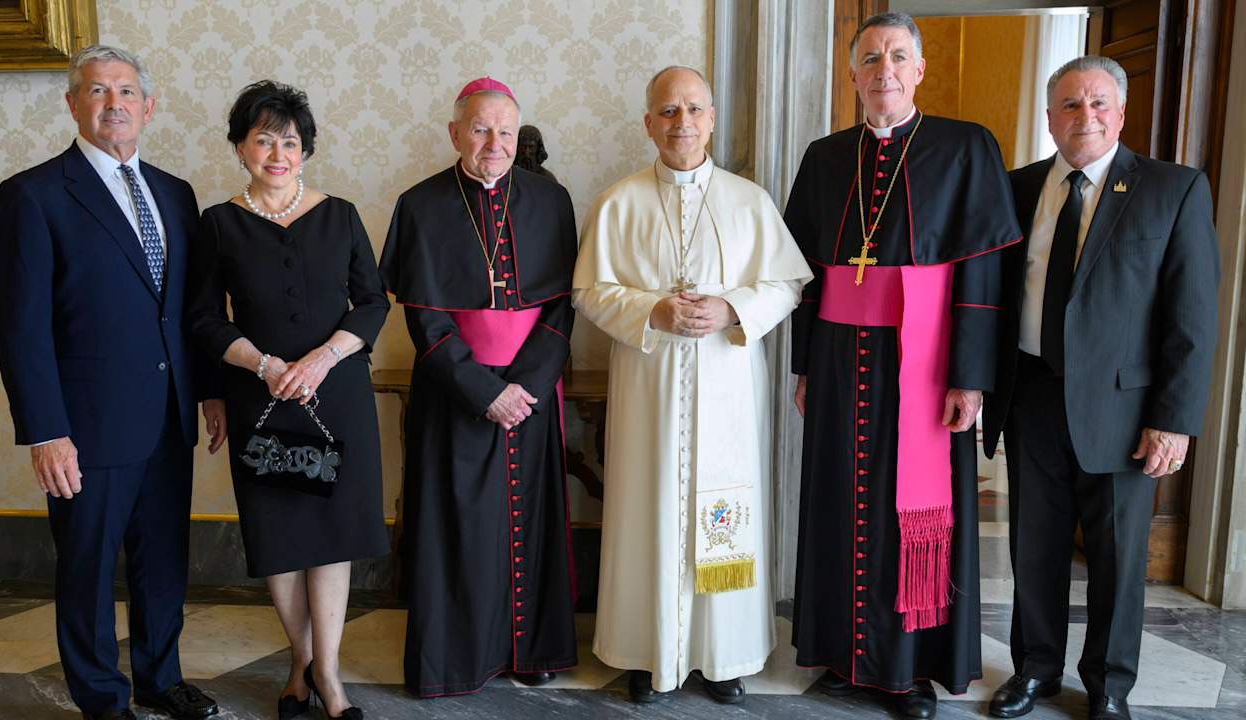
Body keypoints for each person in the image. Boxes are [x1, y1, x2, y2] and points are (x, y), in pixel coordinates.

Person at [786, 12, 1022, 719]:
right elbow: (804, 272)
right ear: (853, 74)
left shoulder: (964, 147)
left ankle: (907, 668)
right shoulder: (825, 156)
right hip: (836, 357)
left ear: (918, 70)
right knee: (836, 499)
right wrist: (802, 366)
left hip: (922, 365)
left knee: (912, 511)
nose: (882, 69)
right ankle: (840, 653)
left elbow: (982, 272)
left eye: (896, 56)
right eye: (868, 58)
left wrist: (971, 375)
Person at [0, 45, 219, 720]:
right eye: (96, 91)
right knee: (87, 567)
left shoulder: (176, 194)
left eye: (125, 92)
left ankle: (160, 677)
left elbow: (188, 309)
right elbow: (19, 330)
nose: (113, 103)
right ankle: (101, 695)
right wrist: (46, 431)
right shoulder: (32, 195)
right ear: (72, 105)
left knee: (163, 562)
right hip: (85, 425)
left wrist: (206, 391)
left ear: (149, 106)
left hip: (168, 413)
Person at [983, 56, 1220, 720]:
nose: (1083, 116)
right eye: (1068, 104)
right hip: (1030, 394)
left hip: (1125, 408)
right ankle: (1033, 671)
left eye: (1097, 104)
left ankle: (1109, 685)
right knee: (1034, 546)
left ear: (1119, 113)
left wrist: (1174, 420)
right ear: (1049, 115)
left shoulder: (1172, 189)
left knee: (1117, 557)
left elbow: (1192, 317)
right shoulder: (1018, 188)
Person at [574, 65, 812, 705]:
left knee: (722, 507)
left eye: (693, 110)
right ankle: (645, 651)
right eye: (668, 111)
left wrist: (731, 308)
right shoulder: (619, 201)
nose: (682, 123)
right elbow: (590, 291)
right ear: (649, 122)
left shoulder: (748, 200)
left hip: (726, 387)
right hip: (647, 385)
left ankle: (722, 655)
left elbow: (788, 283)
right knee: (646, 504)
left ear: (711, 118)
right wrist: (651, 310)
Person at [186, 80, 389, 720]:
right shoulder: (217, 224)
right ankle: (297, 660)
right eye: (264, 139)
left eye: (291, 141)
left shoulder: (342, 213)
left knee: (331, 536)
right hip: (261, 398)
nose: (279, 153)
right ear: (241, 147)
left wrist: (324, 357)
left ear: (306, 149)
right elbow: (202, 320)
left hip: (338, 398)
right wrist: (266, 365)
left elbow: (374, 302)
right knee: (280, 538)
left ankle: (325, 673)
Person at [379, 76, 579, 697]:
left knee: (531, 521)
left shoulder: (551, 199)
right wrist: (481, 389)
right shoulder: (420, 205)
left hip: (533, 393)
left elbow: (562, 306)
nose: (495, 143)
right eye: (481, 129)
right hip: (454, 392)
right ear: (455, 132)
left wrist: (526, 385)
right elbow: (425, 317)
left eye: (507, 132)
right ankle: (458, 658)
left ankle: (531, 648)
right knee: (460, 527)